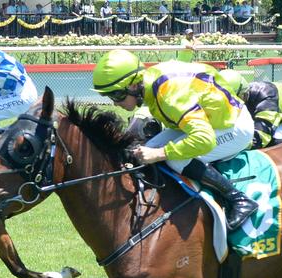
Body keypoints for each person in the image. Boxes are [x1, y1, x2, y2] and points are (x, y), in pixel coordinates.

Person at [92, 50, 257, 230]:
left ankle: (238, 199)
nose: (115, 103)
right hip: (213, 120)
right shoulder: (151, 81)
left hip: (234, 127)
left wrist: (160, 153)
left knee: (172, 156)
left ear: (133, 85)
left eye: (117, 95)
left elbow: (204, 139)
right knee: (149, 147)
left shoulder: (169, 96)